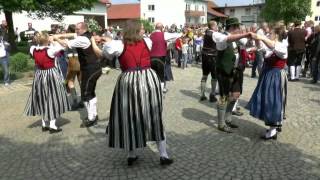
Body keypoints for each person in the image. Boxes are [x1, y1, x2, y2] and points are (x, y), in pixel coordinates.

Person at [90, 20, 173, 166]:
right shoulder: (146, 42)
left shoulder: (117, 45)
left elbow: (102, 55)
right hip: (149, 79)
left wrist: (95, 43)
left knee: (130, 116)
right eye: (141, 29)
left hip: (129, 81)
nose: (144, 31)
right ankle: (162, 155)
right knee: (154, 115)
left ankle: (132, 154)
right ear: (134, 31)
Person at [54, 22, 102, 128]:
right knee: (90, 92)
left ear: (83, 29)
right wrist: (59, 35)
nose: (75, 31)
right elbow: (71, 35)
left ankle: (91, 118)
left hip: (90, 68)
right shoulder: (87, 35)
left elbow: (66, 44)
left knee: (85, 94)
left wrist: (56, 38)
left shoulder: (82, 39)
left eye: (77, 29)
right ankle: (93, 115)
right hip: (94, 67)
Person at [247, 25, 288, 140]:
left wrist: (261, 37)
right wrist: (256, 38)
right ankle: (273, 127)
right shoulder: (272, 45)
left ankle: (273, 130)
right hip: (268, 74)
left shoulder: (282, 46)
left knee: (273, 101)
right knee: (267, 100)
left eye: (271, 33)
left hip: (276, 75)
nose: (269, 35)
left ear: (276, 35)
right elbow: (261, 46)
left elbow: (273, 46)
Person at [24, 32, 70, 133]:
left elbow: (36, 46)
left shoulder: (33, 49)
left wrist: (47, 40)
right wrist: (54, 40)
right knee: (53, 98)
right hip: (50, 75)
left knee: (42, 98)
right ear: (46, 40)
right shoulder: (50, 50)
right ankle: (52, 126)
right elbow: (64, 46)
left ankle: (44, 124)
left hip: (39, 75)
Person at [214, 18, 250, 133]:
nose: (239, 29)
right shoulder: (221, 36)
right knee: (223, 97)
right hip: (224, 71)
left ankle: (228, 118)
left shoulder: (237, 38)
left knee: (236, 95)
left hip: (235, 71)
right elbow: (228, 39)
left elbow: (245, 43)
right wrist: (245, 34)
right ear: (232, 27)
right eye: (238, 27)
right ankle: (221, 123)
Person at [150, 22, 180, 93]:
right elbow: (176, 35)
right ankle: (161, 90)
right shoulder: (164, 34)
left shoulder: (150, 35)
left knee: (153, 74)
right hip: (161, 57)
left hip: (151, 57)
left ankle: (154, 89)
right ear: (161, 28)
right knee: (161, 74)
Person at [199, 20, 219, 102]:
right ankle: (212, 94)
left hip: (204, 57)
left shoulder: (206, 33)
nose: (217, 27)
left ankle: (202, 94)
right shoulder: (214, 34)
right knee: (214, 77)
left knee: (204, 75)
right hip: (212, 57)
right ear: (213, 26)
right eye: (216, 25)